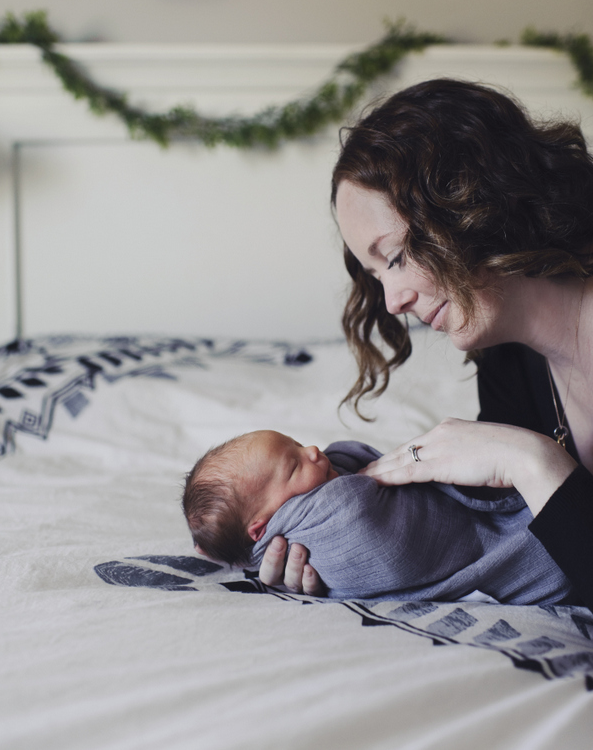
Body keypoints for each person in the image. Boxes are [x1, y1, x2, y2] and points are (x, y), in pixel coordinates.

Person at [259, 78, 593, 611]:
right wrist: (343, 549)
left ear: (474, 200)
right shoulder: (506, 359)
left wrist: (531, 461)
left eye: (393, 257)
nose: (392, 302)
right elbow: (503, 544)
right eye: (375, 277)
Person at [182, 429, 574, 604]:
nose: (315, 451)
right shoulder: (335, 519)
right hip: (554, 554)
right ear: (260, 528)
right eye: (294, 464)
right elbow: (359, 516)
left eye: (298, 444)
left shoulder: (296, 503)